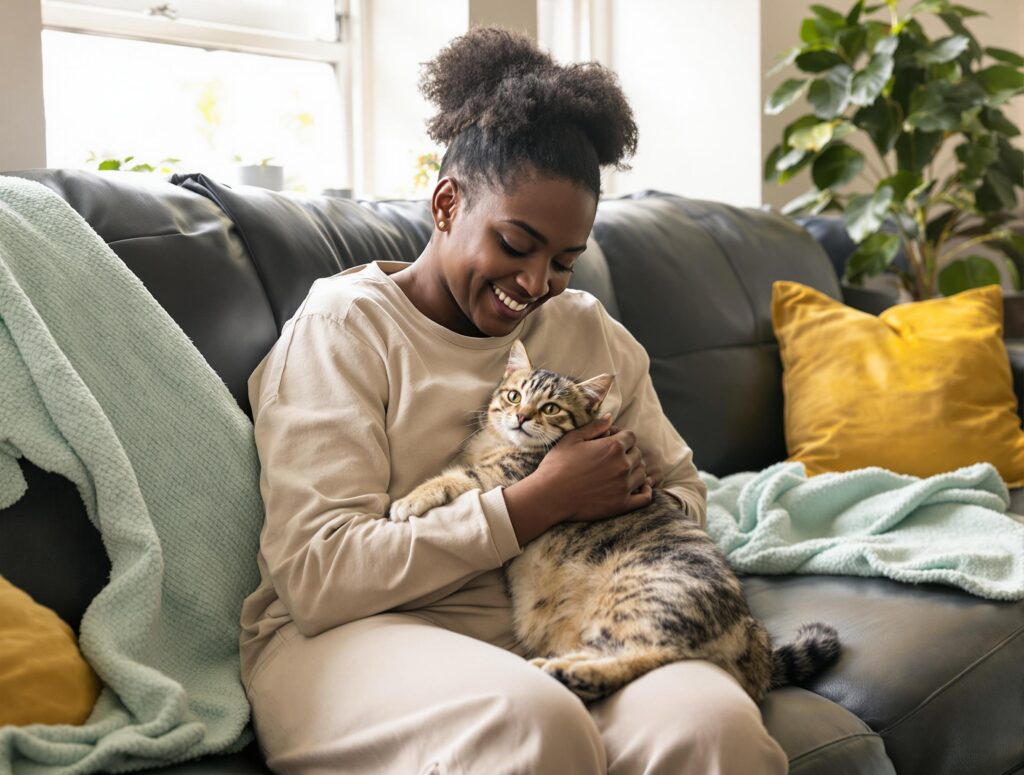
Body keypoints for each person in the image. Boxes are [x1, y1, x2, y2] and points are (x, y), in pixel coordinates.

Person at [239, 25, 789, 775]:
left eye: (564, 260)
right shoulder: (347, 327)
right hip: (351, 634)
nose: (535, 284)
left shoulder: (586, 331)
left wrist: (630, 500)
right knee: (535, 725)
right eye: (515, 244)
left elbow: (684, 494)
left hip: (564, 624)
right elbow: (317, 576)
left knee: (715, 723)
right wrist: (536, 502)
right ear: (445, 203)